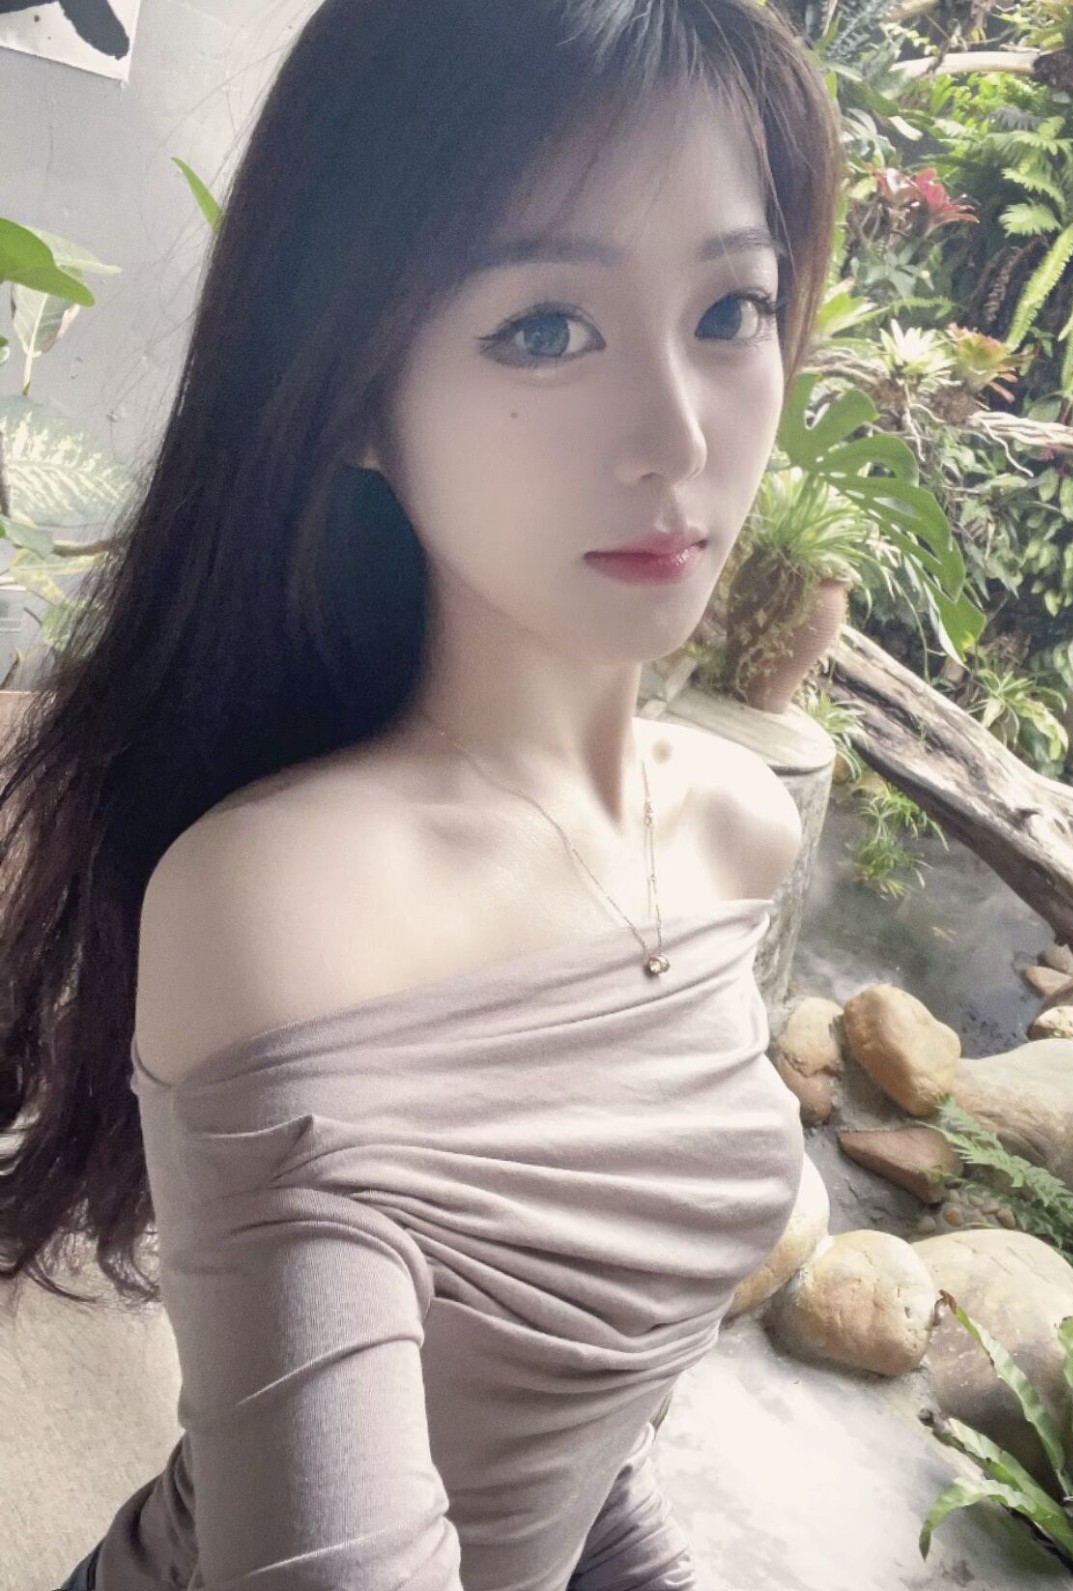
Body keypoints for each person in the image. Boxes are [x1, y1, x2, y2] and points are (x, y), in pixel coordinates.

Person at [0, 1, 844, 1585]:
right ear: (353, 393)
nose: (676, 435)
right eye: (546, 328)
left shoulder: (737, 828)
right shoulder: (278, 905)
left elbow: (573, 1442)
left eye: (732, 309)